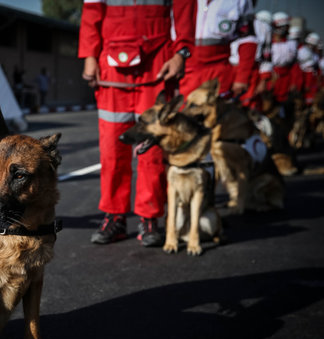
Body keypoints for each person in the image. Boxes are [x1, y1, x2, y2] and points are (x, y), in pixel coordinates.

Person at [78, 0, 195, 246]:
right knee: (112, 148)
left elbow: (184, 8)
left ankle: (150, 216)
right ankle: (115, 216)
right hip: (111, 66)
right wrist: (89, 55)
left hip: (157, 63)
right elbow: (92, 11)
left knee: (152, 150)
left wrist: (181, 52)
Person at [179, 0, 255, 100]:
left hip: (219, 72)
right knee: (181, 111)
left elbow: (248, 40)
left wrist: (242, 77)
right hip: (183, 68)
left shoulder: (241, 1)